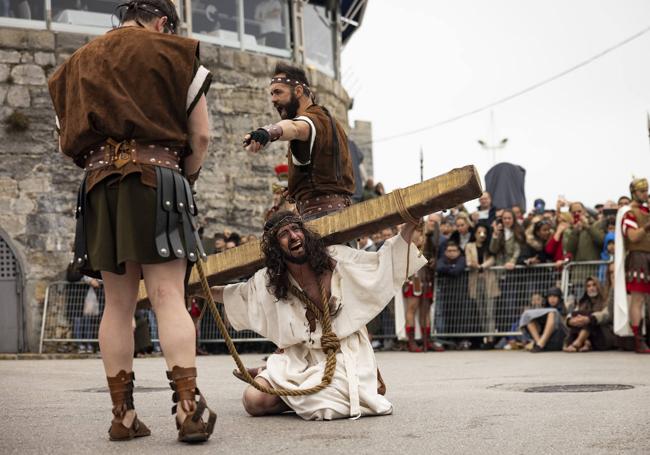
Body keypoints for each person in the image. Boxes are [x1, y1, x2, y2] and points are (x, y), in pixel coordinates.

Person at [48, 0, 216, 442]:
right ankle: (187, 411)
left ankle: (122, 417)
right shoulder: (178, 53)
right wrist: (187, 178)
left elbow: (67, 141)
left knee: (117, 306)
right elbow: (201, 135)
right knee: (166, 296)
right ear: (162, 22)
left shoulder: (76, 65)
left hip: (100, 184)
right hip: (159, 178)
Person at [210, 211, 425, 420]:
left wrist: (410, 223)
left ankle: (293, 389)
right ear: (276, 247)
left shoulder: (335, 258)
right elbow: (238, 295)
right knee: (253, 401)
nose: (293, 236)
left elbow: (381, 264)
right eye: (284, 234)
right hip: (299, 358)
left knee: (338, 404)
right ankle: (291, 387)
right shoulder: (272, 280)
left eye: (296, 229)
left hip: (342, 352)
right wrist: (194, 287)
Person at [243, 63, 355, 220]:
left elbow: (295, 127)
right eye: (272, 94)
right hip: (336, 215)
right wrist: (297, 188)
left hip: (323, 218)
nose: (273, 99)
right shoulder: (327, 121)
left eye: (278, 92)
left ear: (298, 91)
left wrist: (268, 132)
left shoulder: (315, 119)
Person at [615, 177, 650, 353]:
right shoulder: (629, 212)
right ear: (634, 193)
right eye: (642, 191)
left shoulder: (647, 210)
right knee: (638, 298)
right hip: (639, 257)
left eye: (646, 190)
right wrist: (647, 227)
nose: (646, 193)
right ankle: (638, 339)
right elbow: (633, 237)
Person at [564, 276, 615, 352]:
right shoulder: (583, 302)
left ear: (599, 286)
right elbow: (571, 314)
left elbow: (606, 315)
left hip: (605, 335)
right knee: (578, 315)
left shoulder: (606, 299)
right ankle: (586, 342)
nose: (591, 288)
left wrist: (589, 319)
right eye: (588, 286)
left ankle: (578, 342)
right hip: (591, 336)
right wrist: (569, 321)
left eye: (594, 285)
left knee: (590, 317)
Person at [518, 287, 567, 352]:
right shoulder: (543, 309)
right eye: (550, 296)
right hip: (543, 342)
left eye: (555, 296)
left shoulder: (563, 311)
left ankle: (540, 344)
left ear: (559, 298)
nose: (552, 299)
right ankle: (539, 343)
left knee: (552, 312)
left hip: (557, 340)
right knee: (530, 318)